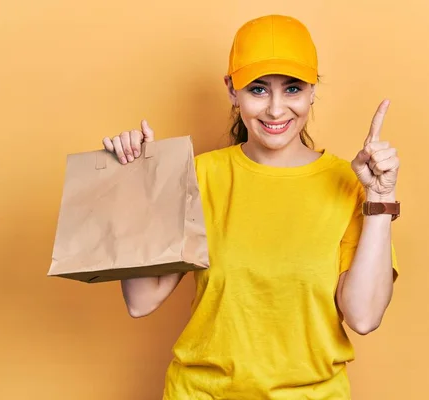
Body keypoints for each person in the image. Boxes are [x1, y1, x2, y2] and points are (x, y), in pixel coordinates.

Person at [102, 14, 401, 400]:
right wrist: (138, 188)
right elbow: (142, 301)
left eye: (292, 89)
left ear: (312, 90)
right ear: (231, 90)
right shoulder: (197, 177)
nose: (276, 110)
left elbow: (363, 316)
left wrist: (378, 197)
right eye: (258, 90)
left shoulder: (350, 183)